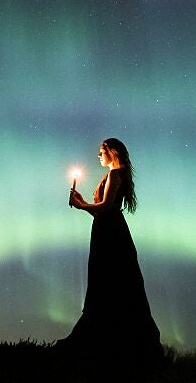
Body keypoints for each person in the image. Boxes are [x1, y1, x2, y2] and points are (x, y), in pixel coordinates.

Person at [57, 137, 163, 368]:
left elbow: (105, 208)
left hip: (111, 235)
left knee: (106, 281)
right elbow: (104, 211)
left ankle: (105, 344)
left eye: (101, 152)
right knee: (115, 282)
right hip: (110, 231)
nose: (98, 156)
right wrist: (84, 202)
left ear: (111, 151)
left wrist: (81, 205)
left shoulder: (115, 174)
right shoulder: (116, 174)